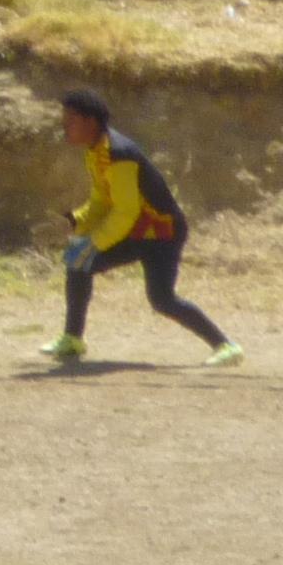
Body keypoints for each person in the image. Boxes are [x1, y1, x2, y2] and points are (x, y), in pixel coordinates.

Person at [45, 87, 240, 367]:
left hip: (162, 234)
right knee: (78, 262)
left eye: (70, 120)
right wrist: (77, 220)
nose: (64, 126)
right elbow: (102, 199)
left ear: (91, 122)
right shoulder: (96, 151)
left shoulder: (119, 153)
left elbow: (125, 211)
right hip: (138, 231)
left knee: (162, 300)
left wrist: (94, 243)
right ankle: (72, 340)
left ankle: (226, 346)